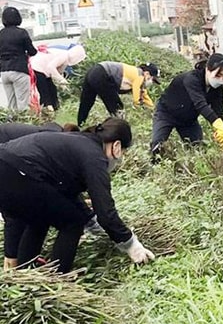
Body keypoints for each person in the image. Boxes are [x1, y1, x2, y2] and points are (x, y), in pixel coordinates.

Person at [0, 117, 154, 273]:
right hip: (17, 171)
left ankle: (24, 273)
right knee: (72, 223)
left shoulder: (79, 142)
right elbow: (105, 211)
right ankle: (57, 278)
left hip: (8, 166)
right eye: (123, 152)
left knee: (40, 216)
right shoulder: (94, 156)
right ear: (117, 146)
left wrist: (94, 223)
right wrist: (130, 244)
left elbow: (67, 198)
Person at [0, 121, 80, 270]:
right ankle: (21, 268)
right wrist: (10, 255)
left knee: (38, 213)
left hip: (12, 168)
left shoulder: (54, 142)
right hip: (7, 166)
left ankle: (25, 266)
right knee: (27, 211)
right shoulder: (52, 144)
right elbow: (12, 211)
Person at [150, 53, 223, 159]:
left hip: (188, 120)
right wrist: (216, 123)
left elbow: (218, 111)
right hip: (167, 114)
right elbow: (201, 105)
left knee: (198, 151)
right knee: (157, 147)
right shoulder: (192, 79)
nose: (221, 79)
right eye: (218, 75)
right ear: (208, 69)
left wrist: (222, 130)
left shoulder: (217, 88)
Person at [77, 62, 160, 126]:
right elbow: (136, 96)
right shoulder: (140, 76)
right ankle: (119, 129)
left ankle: (80, 124)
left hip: (95, 70)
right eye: (152, 80)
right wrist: (137, 106)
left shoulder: (135, 73)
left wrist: (152, 108)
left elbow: (144, 95)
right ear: (147, 73)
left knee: (86, 101)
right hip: (103, 74)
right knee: (117, 107)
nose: (151, 82)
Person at [0, 7, 38, 111]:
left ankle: (12, 124)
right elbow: (32, 51)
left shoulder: (1, 34)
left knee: (12, 105)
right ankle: (23, 125)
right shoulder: (21, 33)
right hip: (19, 71)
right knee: (23, 104)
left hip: (4, 72)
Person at [30, 44, 87, 112]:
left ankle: (56, 108)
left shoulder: (66, 59)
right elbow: (50, 67)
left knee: (53, 90)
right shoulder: (63, 55)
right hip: (38, 68)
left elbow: (59, 71)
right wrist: (61, 80)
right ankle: (47, 110)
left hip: (46, 70)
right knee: (44, 91)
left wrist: (62, 83)